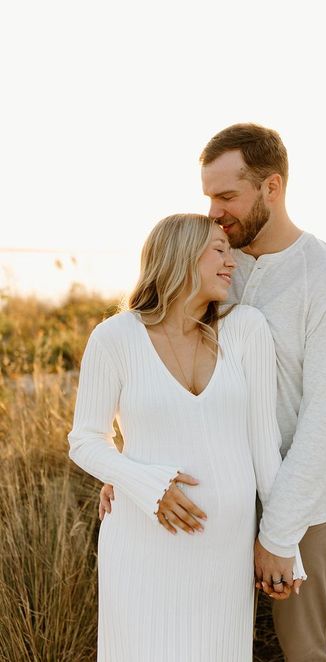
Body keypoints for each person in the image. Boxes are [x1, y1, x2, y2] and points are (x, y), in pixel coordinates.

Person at [99, 123, 326, 661]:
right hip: (212, 495)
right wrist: (128, 466)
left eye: (227, 196)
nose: (216, 211)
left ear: (272, 187)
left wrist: (279, 533)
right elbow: (161, 355)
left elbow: (323, 420)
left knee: (302, 651)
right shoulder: (215, 259)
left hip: (301, 507)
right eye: (209, 198)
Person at [68, 213, 306, 662]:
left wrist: (283, 543)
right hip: (141, 543)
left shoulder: (246, 330)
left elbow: (264, 446)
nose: (230, 263)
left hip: (226, 550)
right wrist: (145, 485)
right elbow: (85, 439)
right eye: (219, 250)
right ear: (180, 256)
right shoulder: (114, 338)